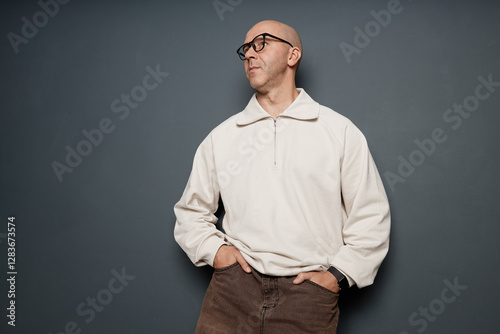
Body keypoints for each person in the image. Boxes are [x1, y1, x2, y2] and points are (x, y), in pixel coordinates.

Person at [174, 19, 391, 334]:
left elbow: (371, 216)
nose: (250, 53)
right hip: (233, 290)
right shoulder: (221, 136)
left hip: (308, 295)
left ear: (293, 56)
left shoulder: (339, 131)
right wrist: (219, 254)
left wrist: (338, 276)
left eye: (261, 43)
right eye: (245, 48)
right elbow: (190, 212)